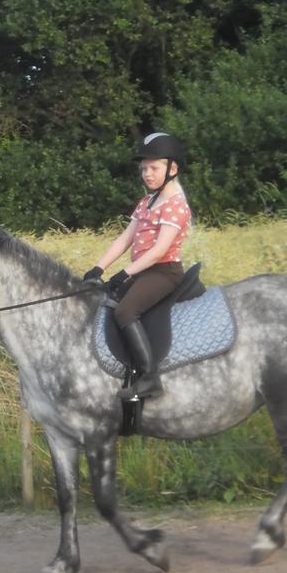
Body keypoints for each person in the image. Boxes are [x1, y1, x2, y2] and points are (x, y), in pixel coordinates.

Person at [82, 132, 192, 400]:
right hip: (142, 271)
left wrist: (123, 273)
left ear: (172, 169)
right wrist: (99, 268)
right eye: (144, 168)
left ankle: (150, 377)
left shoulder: (176, 205)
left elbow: (158, 252)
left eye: (154, 168)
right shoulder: (147, 202)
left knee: (126, 311)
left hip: (164, 272)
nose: (147, 174)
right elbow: (125, 239)